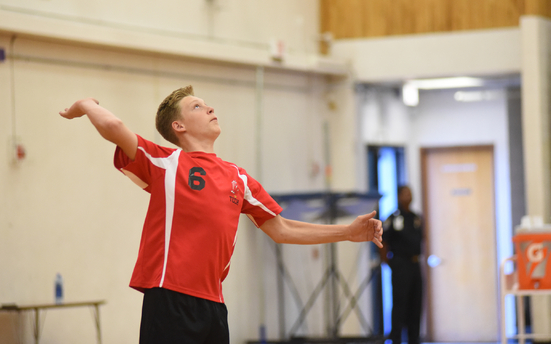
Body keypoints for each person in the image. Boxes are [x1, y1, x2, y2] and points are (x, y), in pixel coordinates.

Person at [60, 85, 383, 344]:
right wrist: (86, 104)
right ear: (179, 126)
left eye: (207, 104)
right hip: (170, 297)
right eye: (197, 107)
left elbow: (281, 229)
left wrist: (346, 232)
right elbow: (114, 126)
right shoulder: (166, 163)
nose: (211, 108)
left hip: (214, 305)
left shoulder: (238, 177)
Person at [379, 185, 423, 344]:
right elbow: (383, 240)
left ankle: (414, 339)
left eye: (411, 193)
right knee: (400, 303)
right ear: (398, 196)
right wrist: (388, 262)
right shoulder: (393, 217)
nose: (409, 196)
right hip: (400, 264)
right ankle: (396, 339)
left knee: (416, 304)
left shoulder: (416, 217)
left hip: (415, 264)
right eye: (405, 194)